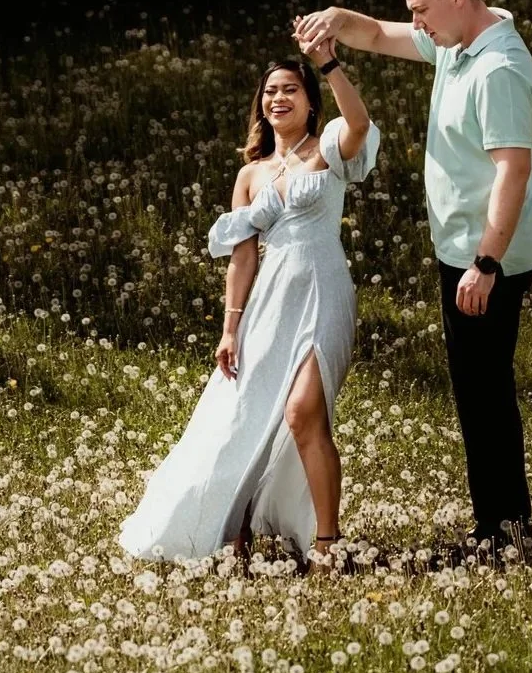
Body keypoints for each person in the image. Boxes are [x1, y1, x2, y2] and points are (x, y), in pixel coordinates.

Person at [294, 0, 532, 556]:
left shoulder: (498, 69)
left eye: (423, 10)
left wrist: (485, 262)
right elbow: (377, 33)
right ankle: (501, 526)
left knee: (484, 389)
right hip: (461, 248)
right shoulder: (458, 45)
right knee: (476, 386)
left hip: (489, 256)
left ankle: (504, 533)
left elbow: (512, 171)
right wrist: (334, 19)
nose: (418, 23)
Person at [118, 41, 379, 570]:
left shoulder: (328, 147)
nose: (279, 98)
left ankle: (326, 544)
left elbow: (359, 119)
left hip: (324, 288)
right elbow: (241, 261)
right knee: (245, 414)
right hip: (269, 300)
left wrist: (328, 63)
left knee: (304, 412)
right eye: (270, 91)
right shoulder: (251, 174)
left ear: (310, 101)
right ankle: (235, 523)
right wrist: (229, 329)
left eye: (290, 90)